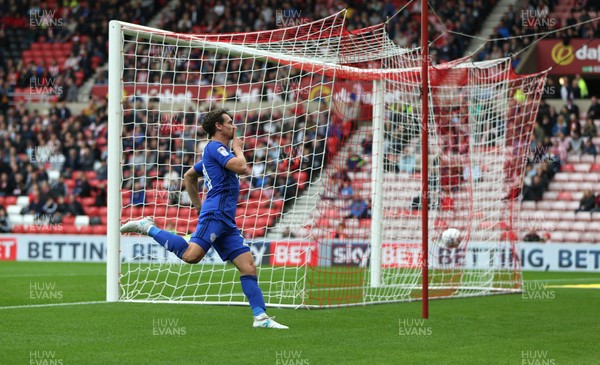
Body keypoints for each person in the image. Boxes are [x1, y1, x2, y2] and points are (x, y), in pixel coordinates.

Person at [120, 108, 288, 329]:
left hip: (225, 219)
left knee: (248, 266)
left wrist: (198, 205)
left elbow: (189, 176)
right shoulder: (215, 147)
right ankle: (147, 227)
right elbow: (242, 167)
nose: (234, 125)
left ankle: (261, 317)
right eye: (229, 122)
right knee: (191, 256)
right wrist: (238, 149)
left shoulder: (218, 153)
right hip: (216, 213)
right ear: (218, 126)